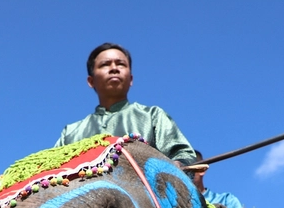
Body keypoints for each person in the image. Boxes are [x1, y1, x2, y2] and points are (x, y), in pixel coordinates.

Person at [55, 43, 196, 165]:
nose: (114, 68)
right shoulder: (70, 132)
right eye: (105, 64)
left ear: (131, 79)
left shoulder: (152, 116)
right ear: (91, 81)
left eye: (120, 64)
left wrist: (177, 166)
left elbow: (183, 156)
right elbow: (48, 170)